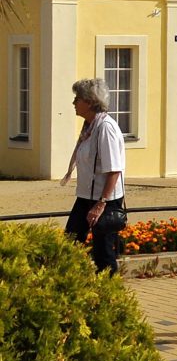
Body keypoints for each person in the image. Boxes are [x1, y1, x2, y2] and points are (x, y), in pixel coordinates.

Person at [61, 78, 126, 272]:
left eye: (77, 99)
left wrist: (101, 204)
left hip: (104, 201)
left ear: (89, 102)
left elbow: (114, 169)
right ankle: (70, 287)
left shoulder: (106, 127)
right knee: (69, 243)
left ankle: (109, 295)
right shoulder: (89, 127)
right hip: (85, 197)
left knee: (103, 254)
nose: (74, 103)